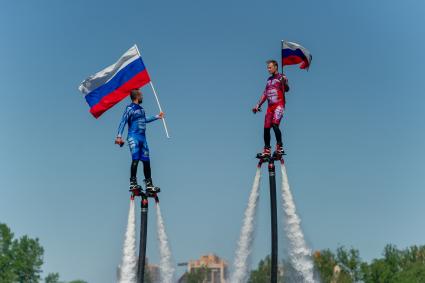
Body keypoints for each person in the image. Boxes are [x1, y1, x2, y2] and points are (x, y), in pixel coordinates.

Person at [115, 88, 164, 192]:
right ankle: (133, 183)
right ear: (137, 96)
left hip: (143, 138)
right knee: (136, 159)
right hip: (134, 137)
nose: (142, 96)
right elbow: (123, 121)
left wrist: (157, 116)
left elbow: (144, 120)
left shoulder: (141, 109)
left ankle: (149, 184)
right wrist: (119, 136)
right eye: (141, 95)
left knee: (147, 161)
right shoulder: (129, 108)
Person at [252, 60, 290, 157]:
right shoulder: (269, 79)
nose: (268, 69)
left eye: (270, 67)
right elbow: (265, 93)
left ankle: (279, 147)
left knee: (274, 124)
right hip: (270, 107)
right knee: (266, 127)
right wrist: (258, 105)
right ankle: (267, 149)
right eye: (268, 67)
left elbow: (287, 89)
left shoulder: (282, 77)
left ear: (276, 67)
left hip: (279, 105)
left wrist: (284, 83)